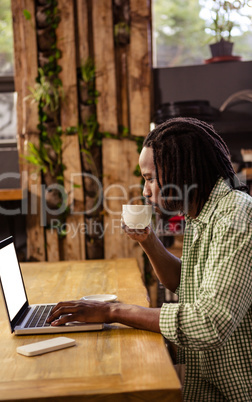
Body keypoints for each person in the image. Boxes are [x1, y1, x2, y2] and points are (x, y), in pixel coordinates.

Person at [47, 117, 252, 401]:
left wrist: (113, 312)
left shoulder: (236, 216)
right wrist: (148, 240)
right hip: (206, 383)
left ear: (181, 169)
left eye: (149, 178)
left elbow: (209, 322)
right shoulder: (201, 210)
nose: (145, 190)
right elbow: (185, 282)